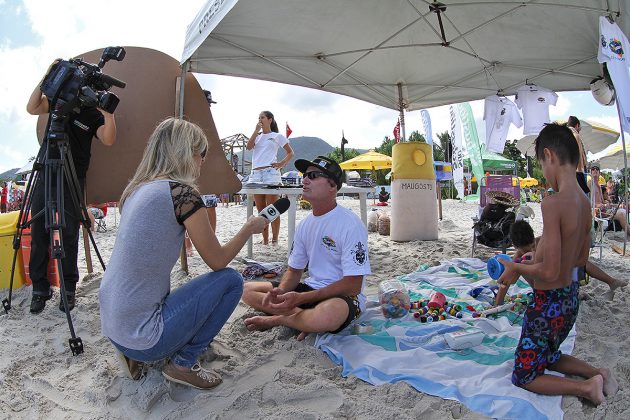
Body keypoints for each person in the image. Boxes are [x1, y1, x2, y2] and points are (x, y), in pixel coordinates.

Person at [99, 118, 268, 389]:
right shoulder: (181, 194)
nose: (202, 162)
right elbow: (218, 261)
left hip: (114, 326)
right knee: (232, 281)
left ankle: (137, 353)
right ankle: (183, 364)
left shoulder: (137, 190)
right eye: (201, 155)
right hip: (144, 338)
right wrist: (248, 228)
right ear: (185, 153)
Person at [496, 123, 617, 405]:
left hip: (547, 305)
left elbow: (548, 272)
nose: (544, 174)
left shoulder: (553, 203)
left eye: (541, 164)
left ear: (549, 156)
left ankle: (588, 388)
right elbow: (580, 260)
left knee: (525, 374)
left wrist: (517, 268)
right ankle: (600, 372)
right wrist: (539, 257)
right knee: (550, 355)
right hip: (569, 300)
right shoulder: (585, 203)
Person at [242, 156, 371, 340]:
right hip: (309, 291)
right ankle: (303, 320)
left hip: (341, 297)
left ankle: (281, 319)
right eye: (304, 175)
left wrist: (301, 299)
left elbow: (353, 285)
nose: (304, 180)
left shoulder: (350, 224)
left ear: (333, 186)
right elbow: (294, 272)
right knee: (246, 290)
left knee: (330, 314)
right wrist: (282, 292)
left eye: (313, 175)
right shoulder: (305, 225)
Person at [26, 60, 117, 314]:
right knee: (38, 230)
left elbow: (108, 139)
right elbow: (32, 107)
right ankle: (40, 289)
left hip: (71, 176)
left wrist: (109, 114)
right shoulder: (57, 102)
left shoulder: (91, 113)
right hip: (46, 168)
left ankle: (68, 289)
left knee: (68, 233)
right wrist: (49, 76)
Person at [495, 220, 627, 305]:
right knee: (518, 266)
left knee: (579, 261)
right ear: (516, 247)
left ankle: (611, 282)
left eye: (532, 245)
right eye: (527, 249)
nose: (531, 249)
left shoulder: (543, 242)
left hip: (562, 281)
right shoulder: (518, 257)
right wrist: (498, 303)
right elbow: (505, 282)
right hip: (543, 290)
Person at [246, 111, 294, 245]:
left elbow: (290, 152)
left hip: (270, 173)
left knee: (273, 208)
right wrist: (256, 131)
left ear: (270, 120)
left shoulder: (277, 136)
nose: (260, 119)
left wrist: (281, 163)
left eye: (262, 117)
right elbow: (248, 147)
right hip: (255, 174)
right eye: (258, 117)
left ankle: (275, 239)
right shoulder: (257, 136)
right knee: (260, 209)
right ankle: (265, 240)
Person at [567, 116, 589, 194]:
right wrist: (580, 172)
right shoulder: (576, 135)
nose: (579, 130)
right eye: (580, 127)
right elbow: (578, 156)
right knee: (581, 199)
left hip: (567, 173)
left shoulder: (565, 135)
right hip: (577, 172)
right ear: (577, 125)